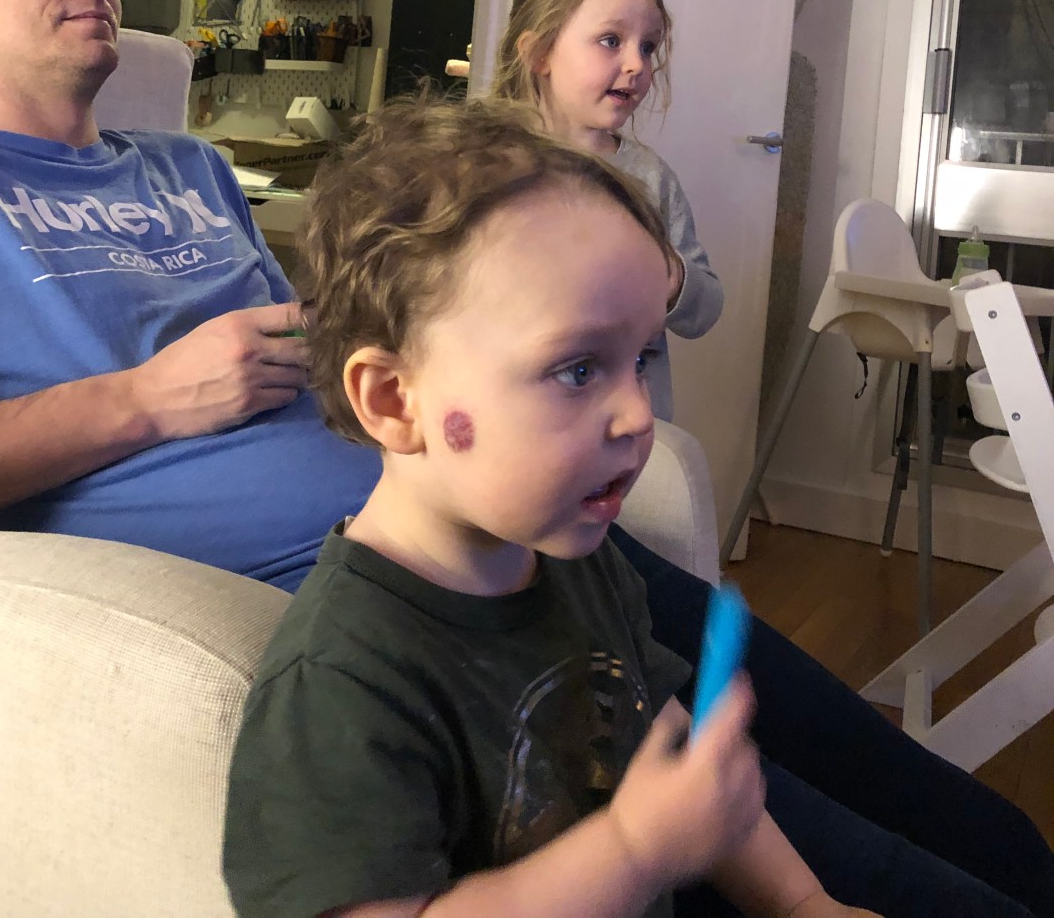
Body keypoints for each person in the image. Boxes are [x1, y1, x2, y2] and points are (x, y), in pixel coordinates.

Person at [0, 0, 1052, 912]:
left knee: (914, 792)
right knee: (872, 870)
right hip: (374, 597)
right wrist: (146, 396)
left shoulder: (188, 165)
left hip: (517, 530)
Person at [223, 94, 878, 918]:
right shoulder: (339, 682)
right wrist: (634, 852)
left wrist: (803, 902)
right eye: (577, 369)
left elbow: (651, 730)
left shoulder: (580, 564)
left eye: (640, 358)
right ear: (393, 400)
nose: (638, 414)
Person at [0, 0, 378, 586]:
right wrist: (146, 399)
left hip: (429, 508)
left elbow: (306, 354)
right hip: (301, 582)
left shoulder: (193, 166)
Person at [491, 0, 722, 422]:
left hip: (624, 424)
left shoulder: (650, 177)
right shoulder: (484, 166)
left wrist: (669, 274)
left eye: (648, 47)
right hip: (515, 423)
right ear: (539, 53)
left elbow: (705, 310)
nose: (637, 64)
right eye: (611, 40)